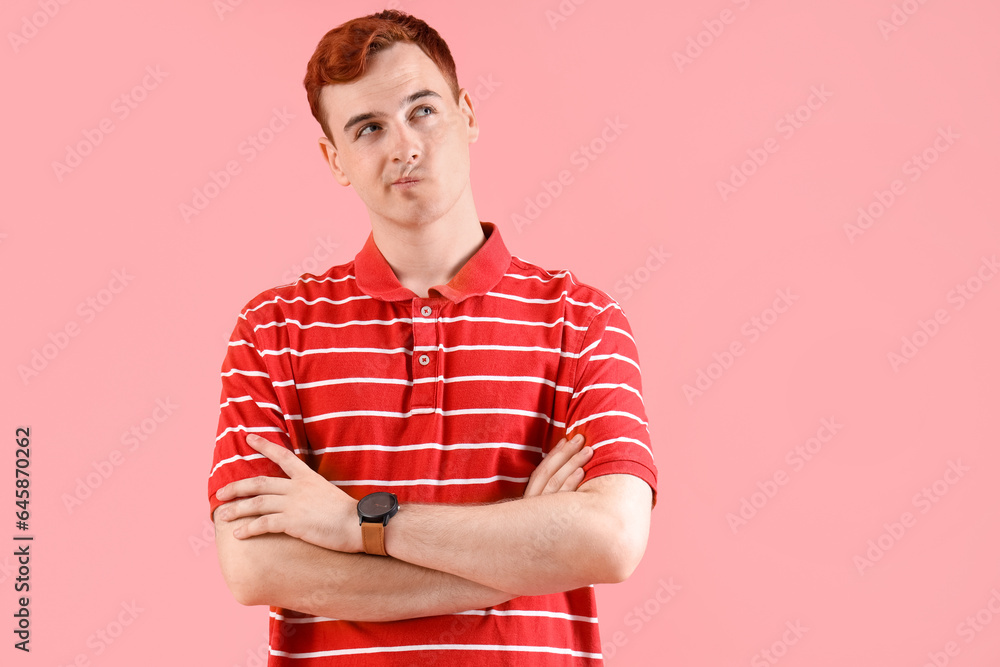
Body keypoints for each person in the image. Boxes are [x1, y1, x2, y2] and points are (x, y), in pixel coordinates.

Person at [208, 10, 657, 666]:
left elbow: (611, 539)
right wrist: (523, 555)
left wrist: (353, 521)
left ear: (467, 114)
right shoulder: (273, 329)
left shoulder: (582, 319)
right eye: (368, 128)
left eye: (422, 110)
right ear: (335, 159)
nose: (404, 146)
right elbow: (254, 565)